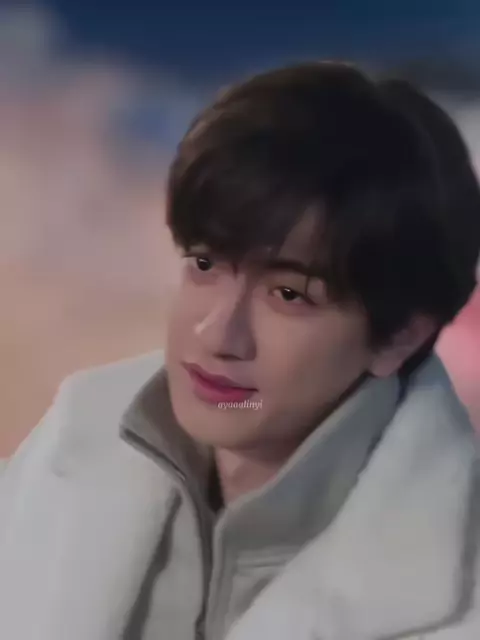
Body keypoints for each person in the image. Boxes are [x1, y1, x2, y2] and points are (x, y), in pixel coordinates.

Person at [1, 61, 480, 640]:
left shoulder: (460, 581)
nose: (216, 334)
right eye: (205, 264)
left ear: (399, 335)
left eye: (289, 294)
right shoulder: (68, 445)